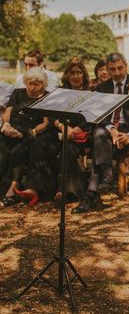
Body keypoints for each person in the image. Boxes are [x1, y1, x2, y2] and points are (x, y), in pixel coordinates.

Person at [73, 53, 129, 213]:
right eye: (112, 69)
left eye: (120, 68)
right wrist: (113, 130)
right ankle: (104, 179)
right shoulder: (103, 87)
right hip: (109, 130)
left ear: (125, 65)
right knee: (100, 132)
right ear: (107, 69)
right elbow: (99, 115)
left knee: (98, 138)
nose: (117, 73)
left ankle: (93, 191)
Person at [0, 68, 57, 206]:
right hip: (11, 129)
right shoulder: (18, 93)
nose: (32, 87)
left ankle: (11, 189)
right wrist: (6, 126)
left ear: (43, 85)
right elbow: (7, 113)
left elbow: (45, 123)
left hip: (30, 133)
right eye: (29, 83)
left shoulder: (47, 97)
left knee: (18, 151)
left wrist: (30, 132)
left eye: (36, 84)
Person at [56, 57, 92, 201]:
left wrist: (75, 129)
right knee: (43, 146)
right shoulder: (60, 92)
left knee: (68, 148)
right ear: (67, 75)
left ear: (84, 75)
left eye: (79, 73)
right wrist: (63, 127)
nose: (76, 76)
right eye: (72, 73)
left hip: (82, 135)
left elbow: (91, 118)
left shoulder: (90, 93)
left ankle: (62, 190)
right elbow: (53, 116)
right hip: (61, 132)